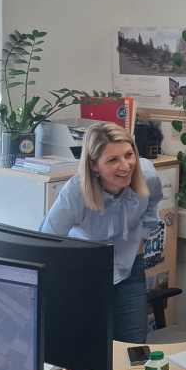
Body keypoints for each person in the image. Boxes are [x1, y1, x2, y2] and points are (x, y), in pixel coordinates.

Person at [40, 122, 163, 343]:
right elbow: (47, 242)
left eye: (129, 155)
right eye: (113, 160)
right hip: (86, 272)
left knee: (133, 346)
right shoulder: (75, 193)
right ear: (94, 165)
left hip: (129, 267)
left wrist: (141, 241)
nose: (125, 166)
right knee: (90, 345)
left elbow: (152, 204)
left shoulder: (147, 175)